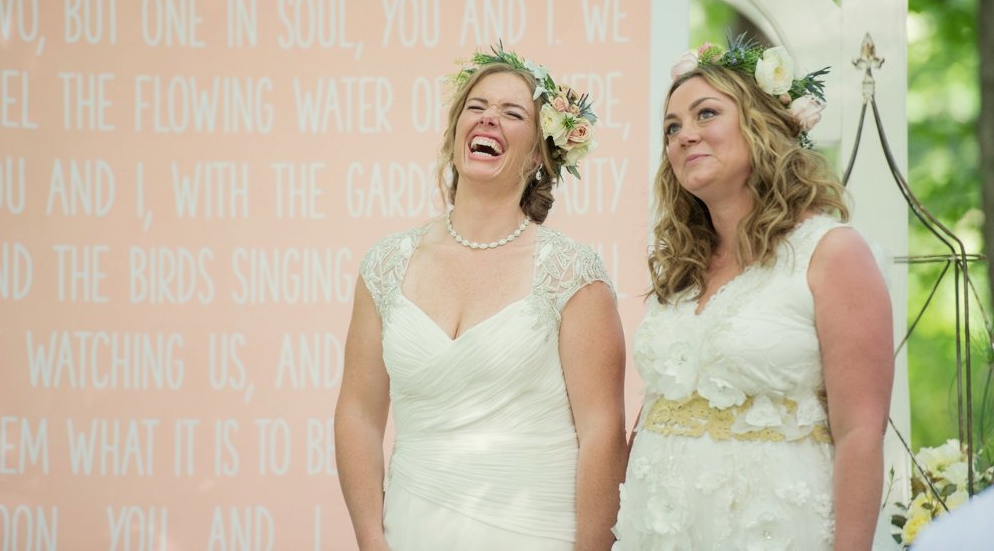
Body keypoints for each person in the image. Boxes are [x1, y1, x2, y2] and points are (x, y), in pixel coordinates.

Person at [335, 45, 628, 551]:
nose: (489, 118)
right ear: (455, 133)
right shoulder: (386, 264)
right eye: (476, 106)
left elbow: (602, 431)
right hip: (410, 530)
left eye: (512, 113)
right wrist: (371, 539)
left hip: (536, 531)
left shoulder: (573, 274)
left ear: (539, 152)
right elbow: (358, 414)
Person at [611, 37, 895, 550]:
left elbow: (861, 434)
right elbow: (656, 410)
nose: (683, 135)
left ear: (760, 124)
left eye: (706, 114)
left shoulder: (831, 254)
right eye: (671, 127)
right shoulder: (681, 269)